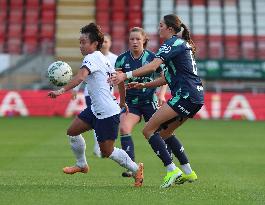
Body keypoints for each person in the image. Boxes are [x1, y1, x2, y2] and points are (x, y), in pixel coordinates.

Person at [109, 14, 204, 188]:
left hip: (185, 95)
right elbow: (166, 78)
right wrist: (143, 86)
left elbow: (153, 67)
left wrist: (126, 75)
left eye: (161, 25)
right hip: (196, 97)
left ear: (169, 28)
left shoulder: (171, 44)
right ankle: (189, 172)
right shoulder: (181, 44)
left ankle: (172, 170)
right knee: (165, 133)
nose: (158, 28)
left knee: (148, 130)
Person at [48, 23, 144, 187]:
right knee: (72, 132)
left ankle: (136, 169)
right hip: (96, 109)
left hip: (107, 112)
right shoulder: (103, 58)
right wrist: (121, 100)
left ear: (94, 44)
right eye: (80, 42)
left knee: (108, 152)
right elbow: (120, 78)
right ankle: (81, 164)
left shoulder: (91, 58)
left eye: (84, 42)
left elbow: (80, 77)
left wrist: (61, 91)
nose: (81, 45)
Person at [115, 27, 168, 177]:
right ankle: (131, 167)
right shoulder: (122, 59)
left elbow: (165, 77)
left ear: (144, 40)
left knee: (163, 133)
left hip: (149, 102)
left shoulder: (153, 58)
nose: (134, 42)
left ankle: (171, 165)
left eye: (138, 39)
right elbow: (120, 83)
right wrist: (122, 101)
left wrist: (161, 95)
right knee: (124, 128)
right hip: (132, 103)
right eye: (132, 39)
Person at [71, 33, 118, 158]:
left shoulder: (113, 58)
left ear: (110, 43)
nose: (105, 44)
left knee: (99, 121)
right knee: (94, 119)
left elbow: (119, 77)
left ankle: (101, 145)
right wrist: (75, 88)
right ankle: (96, 147)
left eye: (107, 42)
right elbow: (82, 74)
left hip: (106, 98)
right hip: (90, 95)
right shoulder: (92, 57)